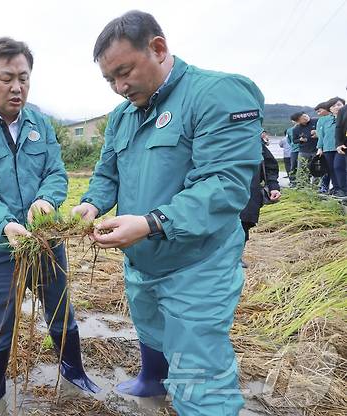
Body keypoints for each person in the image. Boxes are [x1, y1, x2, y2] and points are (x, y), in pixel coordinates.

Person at [71, 10, 263, 415]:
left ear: (158, 48)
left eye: (125, 72)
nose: (120, 87)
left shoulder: (216, 94)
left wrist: (151, 223)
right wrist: (90, 204)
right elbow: (107, 175)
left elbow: (223, 185)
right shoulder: (122, 116)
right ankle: (152, 379)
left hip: (196, 261)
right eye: (110, 80)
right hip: (142, 256)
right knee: (152, 326)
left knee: (198, 375)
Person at [0, 37, 98, 413]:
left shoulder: (40, 125)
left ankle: (73, 371)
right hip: (0, 245)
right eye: (6, 78)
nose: (17, 87)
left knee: (60, 305)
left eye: (24, 78)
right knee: (1, 317)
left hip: (45, 240)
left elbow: (56, 173)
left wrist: (46, 201)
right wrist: (5, 225)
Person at [240, 132, 281, 266]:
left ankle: (236, 256)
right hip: (218, 189)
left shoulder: (253, 140)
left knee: (244, 223)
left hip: (249, 189)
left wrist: (273, 186)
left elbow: (270, 165)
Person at [316, 97, 345, 196]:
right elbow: (321, 135)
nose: (337, 107)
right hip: (328, 148)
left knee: (339, 167)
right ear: (330, 109)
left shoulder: (344, 118)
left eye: (339, 104)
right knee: (331, 169)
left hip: (341, 147)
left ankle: (343, 189)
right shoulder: (324, 120)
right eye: (333, 106)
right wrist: (320, 148)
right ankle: (336, 188)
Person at [291, 112, 319, 188]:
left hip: (316, 150)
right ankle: (302, 185)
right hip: (303, 151)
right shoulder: (296, 129)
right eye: (302, 118)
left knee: (317, 169)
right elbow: (294, 141)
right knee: (302, 169)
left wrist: (318, 133)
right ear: (297, 121)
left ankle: (316, 186)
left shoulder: (316, 121)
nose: (306, 118)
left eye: (305, 116)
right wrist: (300, 140)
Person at [286, 120, 299, 185]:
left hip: (304, 150)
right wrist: (292, 145)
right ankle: (292, 182)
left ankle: (302, 181)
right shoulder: (289, 130)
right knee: (293, 166)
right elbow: (288, 140)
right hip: (294, 150)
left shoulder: (303, 128)